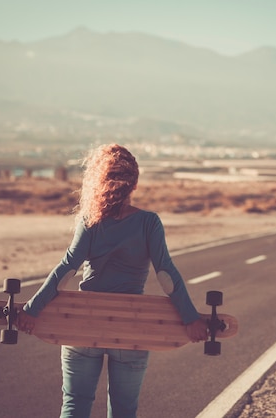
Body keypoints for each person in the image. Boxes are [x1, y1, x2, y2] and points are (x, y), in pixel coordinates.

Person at [17, 144, 208, 418]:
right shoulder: (148, 223)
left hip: (84, 323)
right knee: (123, 412)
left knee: (75, 405)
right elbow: (165, 274)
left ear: (96, 181)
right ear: (135, 183)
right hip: (131, 326)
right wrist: (190, 319)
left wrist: (32, 310)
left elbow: (68, 269)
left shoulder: (89, 220)